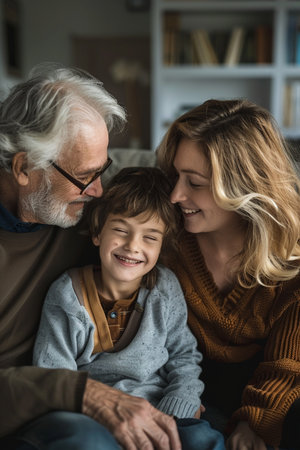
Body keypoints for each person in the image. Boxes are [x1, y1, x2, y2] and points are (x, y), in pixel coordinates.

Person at [0, 63, 183, 450]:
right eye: (86, 176)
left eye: (103, 170)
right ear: (23, 168)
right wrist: (82, 393)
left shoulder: (86, 216)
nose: (99, 192)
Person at [33, 166, 225, 450]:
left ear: (162, 246)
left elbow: (183, 356)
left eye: (150, 237)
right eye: (121, 230)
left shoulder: (165, 288)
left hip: (161, 410)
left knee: (203, 438)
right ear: (97, 233)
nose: (133, 246)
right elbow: (53, 375)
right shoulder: (67, 295)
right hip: (95, 416)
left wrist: (178, 407)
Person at [156, 98, 300, 450]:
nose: (176, 195)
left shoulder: (292, 260)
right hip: (181, 399)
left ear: (244, 186)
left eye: (195, 183)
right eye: (176, 176)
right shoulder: (161, 240)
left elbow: (289, 363)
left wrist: (255, 422)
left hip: (269, 398)